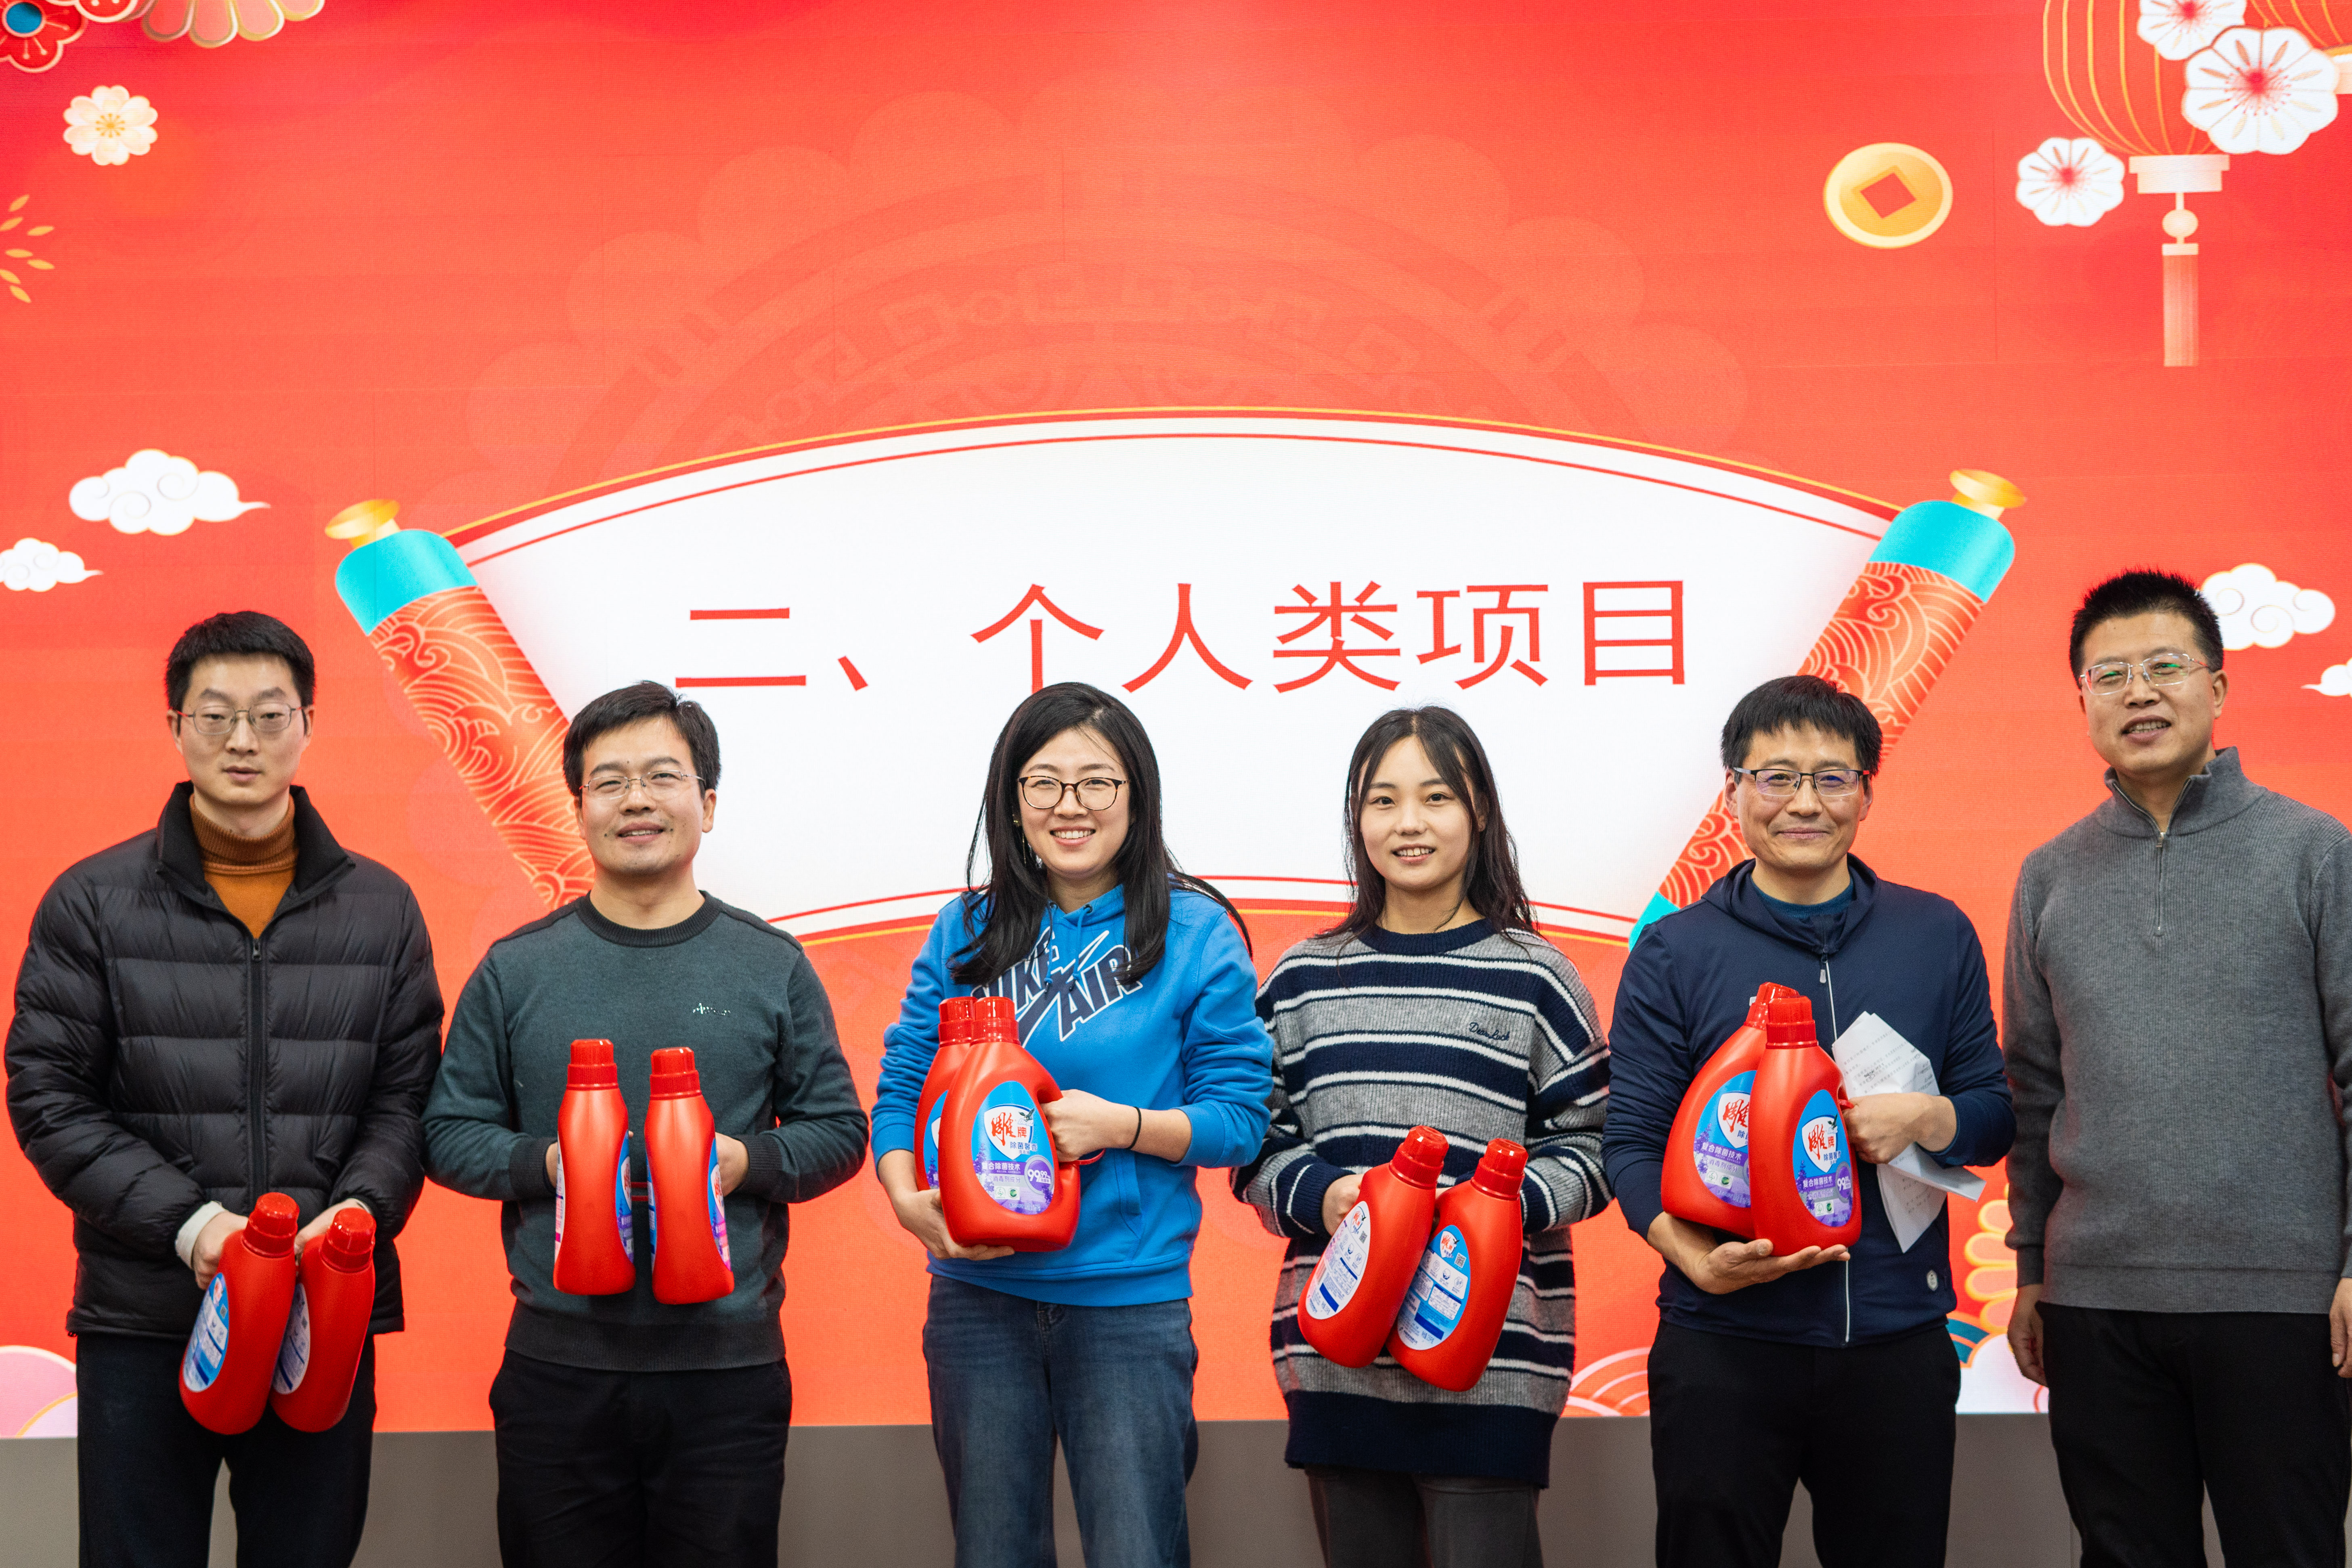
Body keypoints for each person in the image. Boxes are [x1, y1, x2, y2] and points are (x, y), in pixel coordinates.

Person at [6, 611, 443, 1568]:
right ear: (175, 727)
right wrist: (192, 1226)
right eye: (215, 714)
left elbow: (408, 1097)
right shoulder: (92, 900)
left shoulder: (383, 907)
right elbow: (49, 1096)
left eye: (269, 713)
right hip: (145, 1315)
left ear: (308, 724)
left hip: (320, 1316)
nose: (243, 739)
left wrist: (360, 1212)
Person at [422, 680, 866, 1568]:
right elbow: (447, 1131)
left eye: (663, 777)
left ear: (708, 803)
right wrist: (550, 1164)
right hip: (559, 1367)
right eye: (610, 781)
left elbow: (840, 1129)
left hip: (726, 1370)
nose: (636, 800)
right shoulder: (517, 969)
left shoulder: (769, 963)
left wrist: (743, 1162)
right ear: (578, 806)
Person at [1601, 674, 2013, 1568]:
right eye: (1776, 777)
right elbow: (1629, 1142)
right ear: (1734, 792)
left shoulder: (1933, 932)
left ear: (1866, 792)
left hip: (1896, 1338)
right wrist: (1690, 1256)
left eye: (1831, 778)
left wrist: (1928, 1117)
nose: (1803, 803)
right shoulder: (1675, 950)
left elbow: (1993, 1113)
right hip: (1723, 1340)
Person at [870, 681, 1272, 1568]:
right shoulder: (965, 930)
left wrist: (1121, 1126)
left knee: (1136, 1551)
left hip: (1127, 1302)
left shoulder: (1195, 931)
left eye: (1097, 782)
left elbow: (1241, 1120)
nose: (1070, 805)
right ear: (1013, 801)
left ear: (1137, 795)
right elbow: (900, 1088)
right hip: (977, 1297)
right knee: (994, 1552)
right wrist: (906, 1199)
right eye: (1044, 783)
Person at [2002, 570, 2352, 1566]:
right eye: (2109, 675)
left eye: (2165, 666)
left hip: (2281, 1299)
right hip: (2096, 1302)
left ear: (2219, 687)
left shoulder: (2316, 852)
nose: (2139, 693)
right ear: (2083, 701)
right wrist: (2031, 1272)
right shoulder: (2049, 874)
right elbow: (2033, 1090)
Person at [1232, 706, 1612, 1568]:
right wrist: (1327, 1196)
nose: (1409, 822)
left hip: (1495, 1364)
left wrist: (1497, 1208)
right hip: (1336, 1362)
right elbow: (1257, 1141)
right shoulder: (1304, 978)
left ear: (1478, 811)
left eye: (1436, 797)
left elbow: (1592, 1145)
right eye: (1384, 800)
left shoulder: (1536, 975)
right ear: (1356, 819)